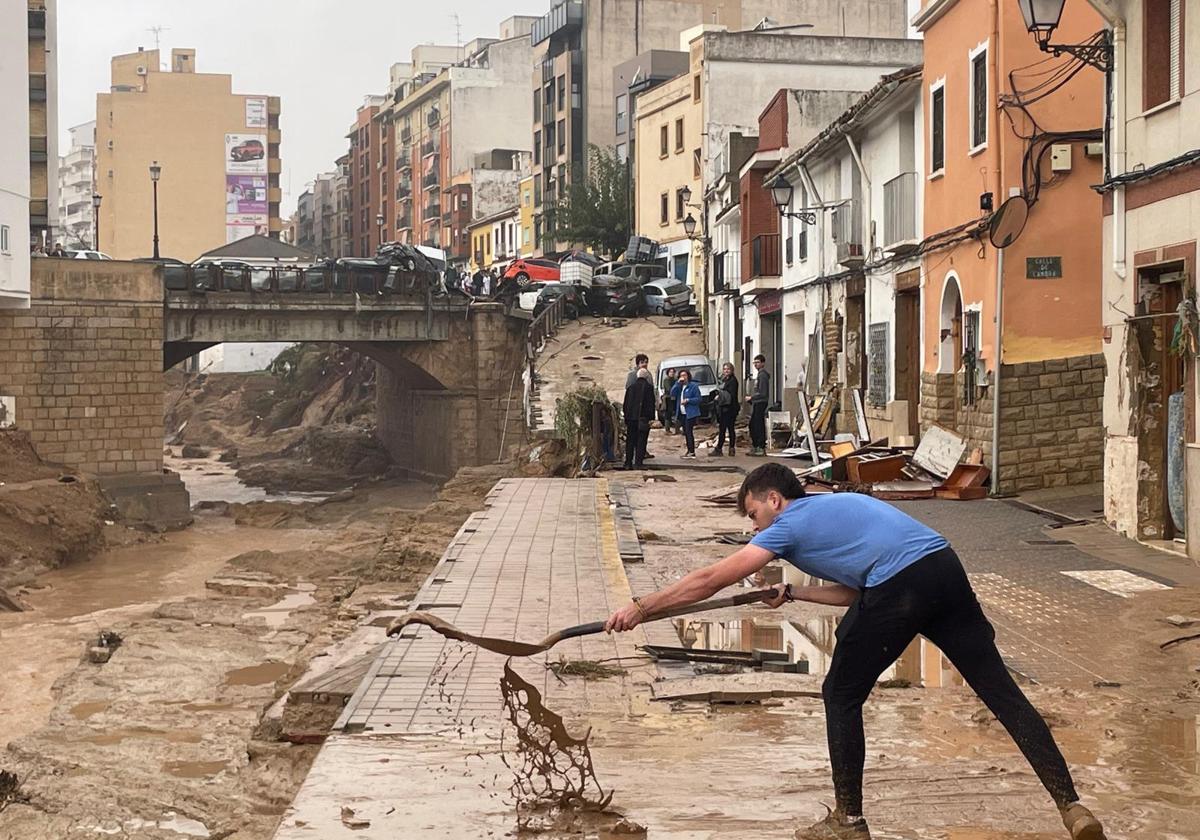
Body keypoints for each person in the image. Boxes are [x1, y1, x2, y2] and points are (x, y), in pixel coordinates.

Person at [605, 463, 1108, 840]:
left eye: (755, 515)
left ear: (774, 500)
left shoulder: (789, 524)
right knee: (1002, 693)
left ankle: (849, 822)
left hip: (903, 583)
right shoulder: (832, 509)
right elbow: (857, 593)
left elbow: (712, 578)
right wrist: (793, 593)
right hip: (943, 568)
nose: (756, 529)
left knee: (840, 694)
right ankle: (1073, 808)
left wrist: (641, 608)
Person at [621, 368, 655, 468]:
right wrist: (651, 418)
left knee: (630, 441)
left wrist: (626, 417)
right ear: (647, 377)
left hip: (631, 419)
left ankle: (628, 463)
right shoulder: (649, 388)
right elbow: (651, 404)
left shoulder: (631, 388)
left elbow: (626, 404)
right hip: (643, 419)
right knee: (641, 441)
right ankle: (638, 463)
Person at [670, 368, 702, 459]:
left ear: (688, 376)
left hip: (690, 413)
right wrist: (677, 383)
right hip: (682, 413)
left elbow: (699, 399)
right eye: (681, 376)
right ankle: (689, 450)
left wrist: (688, 400)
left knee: (689, 431)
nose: (683, 377)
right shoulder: (679, 387)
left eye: (685, 375)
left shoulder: (693, 386)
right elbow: (672, 393)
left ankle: (692, 451)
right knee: (685, 432)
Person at [710, 362, 739, 457]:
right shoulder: (724, 380)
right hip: (724, 408)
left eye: (728, 369)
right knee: (726, 429)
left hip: (729, 408)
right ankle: (729, 448)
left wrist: (720, 396)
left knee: (725, 429)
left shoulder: (733, 381)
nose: (726, 371)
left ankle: (721, 448)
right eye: (725, 369)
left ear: (732, 370)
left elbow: (730, 394)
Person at [746, 354, 770, 456]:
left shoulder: (763, 375)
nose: (756, 364)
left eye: (758, 362)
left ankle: (760, 446)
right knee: (753, 424)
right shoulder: (759, 375)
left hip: (760, 402)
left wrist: (752, 398)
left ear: (763, 363)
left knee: (757, 425)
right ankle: (756, 446)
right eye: (754, 363)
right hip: (757, 402)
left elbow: (763, 392)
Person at [661, 367, 678, 435]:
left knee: (677, 413)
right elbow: (669, 389)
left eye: (673, 372)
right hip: (668, 398)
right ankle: (667, 430)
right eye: (670, 372)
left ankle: (677, 429)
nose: (672, 373)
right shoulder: (666, 380)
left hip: (675, 398)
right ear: (668, 373)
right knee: (668, 414)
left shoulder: (676, 380)